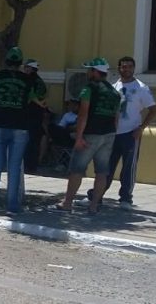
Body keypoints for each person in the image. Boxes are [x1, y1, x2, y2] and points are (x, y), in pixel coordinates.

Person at [82, 56, 156, 211]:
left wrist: (141, 128)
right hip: (112, 132)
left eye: (130, 66)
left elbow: (153, 110)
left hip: (131, 133)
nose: (126, 69)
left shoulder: (141, 88)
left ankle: (125, 198)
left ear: (134, 68)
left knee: (128, 167)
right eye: (123, 66)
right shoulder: (113, 86)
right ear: (119, 68)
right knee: (106, 166)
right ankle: (97, 195)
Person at [53, 57, 120, 215]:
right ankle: (94, 206)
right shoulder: (114, 92)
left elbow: (83, 114)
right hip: (109, 134)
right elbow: (117, 117)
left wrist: (79, 137)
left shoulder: (88, 89)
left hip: (90, 135)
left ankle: (67, 203)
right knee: (102, 172)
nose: (87, 72)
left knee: (77, 170)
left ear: (95, 72)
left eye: (89, 70)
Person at [0, 47, 35, 213]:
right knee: (14, 167)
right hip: (20, 126)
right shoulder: (28, 80)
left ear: (6, 61)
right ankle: (12, 206)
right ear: (20, 63)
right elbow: (30, 99)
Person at [23, 59, 48, 173]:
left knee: (30, 141)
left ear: (32, 69)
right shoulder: (40, 82)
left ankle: (29, 165)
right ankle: (31, 165)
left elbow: (31, 98)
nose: (25, 70)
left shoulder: (31, 81)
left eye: (27, 67)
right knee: (33, 140)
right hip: (36, 114)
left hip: (31, 114)